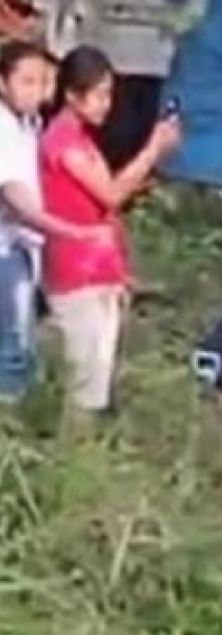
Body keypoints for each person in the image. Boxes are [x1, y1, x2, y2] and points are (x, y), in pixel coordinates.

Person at [39, 45, 180, 416]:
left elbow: (101, 210)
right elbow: (113, 194)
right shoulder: (63, 144)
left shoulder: (82, 140)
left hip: (97, 271)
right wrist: (153, 148)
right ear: (72, 95)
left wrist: (119, 271)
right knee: (84, 388)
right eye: (100, 94)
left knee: (97, 382)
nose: (107, 104)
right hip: (77, 273)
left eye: (109, 94)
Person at [0, 41, 105, 403]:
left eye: (43, 82)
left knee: (23, 339)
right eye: (26, 82)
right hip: (6, 250)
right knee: (11, 346)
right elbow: (19, 203)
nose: (38, 92)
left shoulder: (29, 123)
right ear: (3, 82)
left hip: (24, 246)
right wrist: (75, 232)